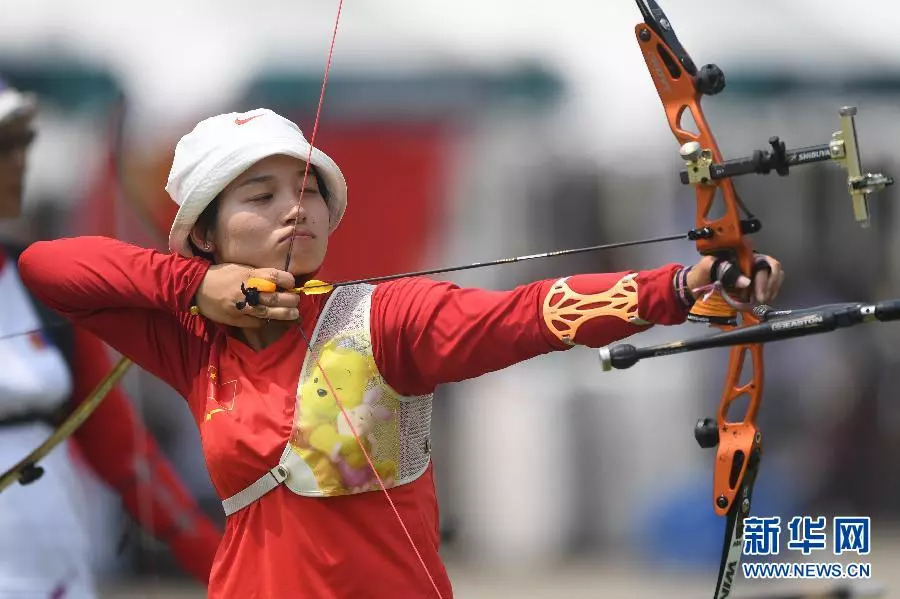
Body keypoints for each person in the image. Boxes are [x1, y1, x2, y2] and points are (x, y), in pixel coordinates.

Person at [17, 107, 784, 598]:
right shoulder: (194, 345)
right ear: (207, 233)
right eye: (261, 196)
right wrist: (197, 288)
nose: (295, 208)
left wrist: (685, 283)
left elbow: (530, 312)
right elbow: (48, 267)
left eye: (308, 190)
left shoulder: (382, 320)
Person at [0, 77, 221, 597]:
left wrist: (217, 565)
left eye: (22, 143)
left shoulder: (36, 279)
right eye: (4, 146)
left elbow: (121, 449)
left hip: (53, 564)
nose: (19, 162)